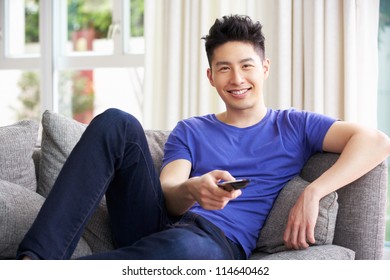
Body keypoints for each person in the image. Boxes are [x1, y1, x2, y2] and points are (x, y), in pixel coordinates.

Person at [17, 15, 390, 260]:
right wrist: (196, 189)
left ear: (264, 68)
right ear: (211, 77)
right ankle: (34, 262)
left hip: (216, 243)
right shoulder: (191, 129)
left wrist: (313, 192)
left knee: (183, 246)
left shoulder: (293, 125)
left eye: (246, 66)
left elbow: (376, 141)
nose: (237, 78)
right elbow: (167, 190)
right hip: (157, 226)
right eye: (224, 68)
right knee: (116, 121)